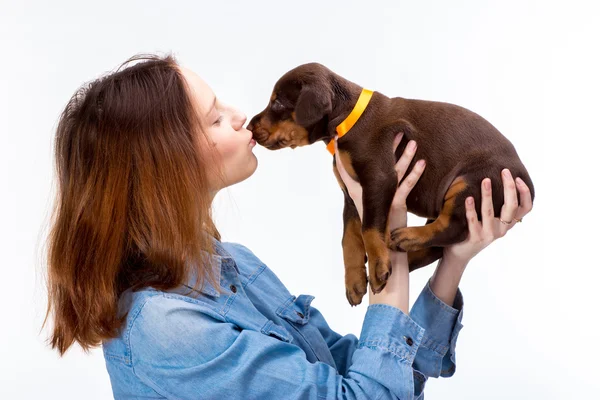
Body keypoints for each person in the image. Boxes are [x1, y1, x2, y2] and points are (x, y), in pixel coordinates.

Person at [44, 53, 533, 399]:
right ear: (165, 163)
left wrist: (453, 257)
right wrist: (388, 233)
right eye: (214, 118)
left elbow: (383, 376)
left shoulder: (232, 266)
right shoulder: (169, 331)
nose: (240, 117)